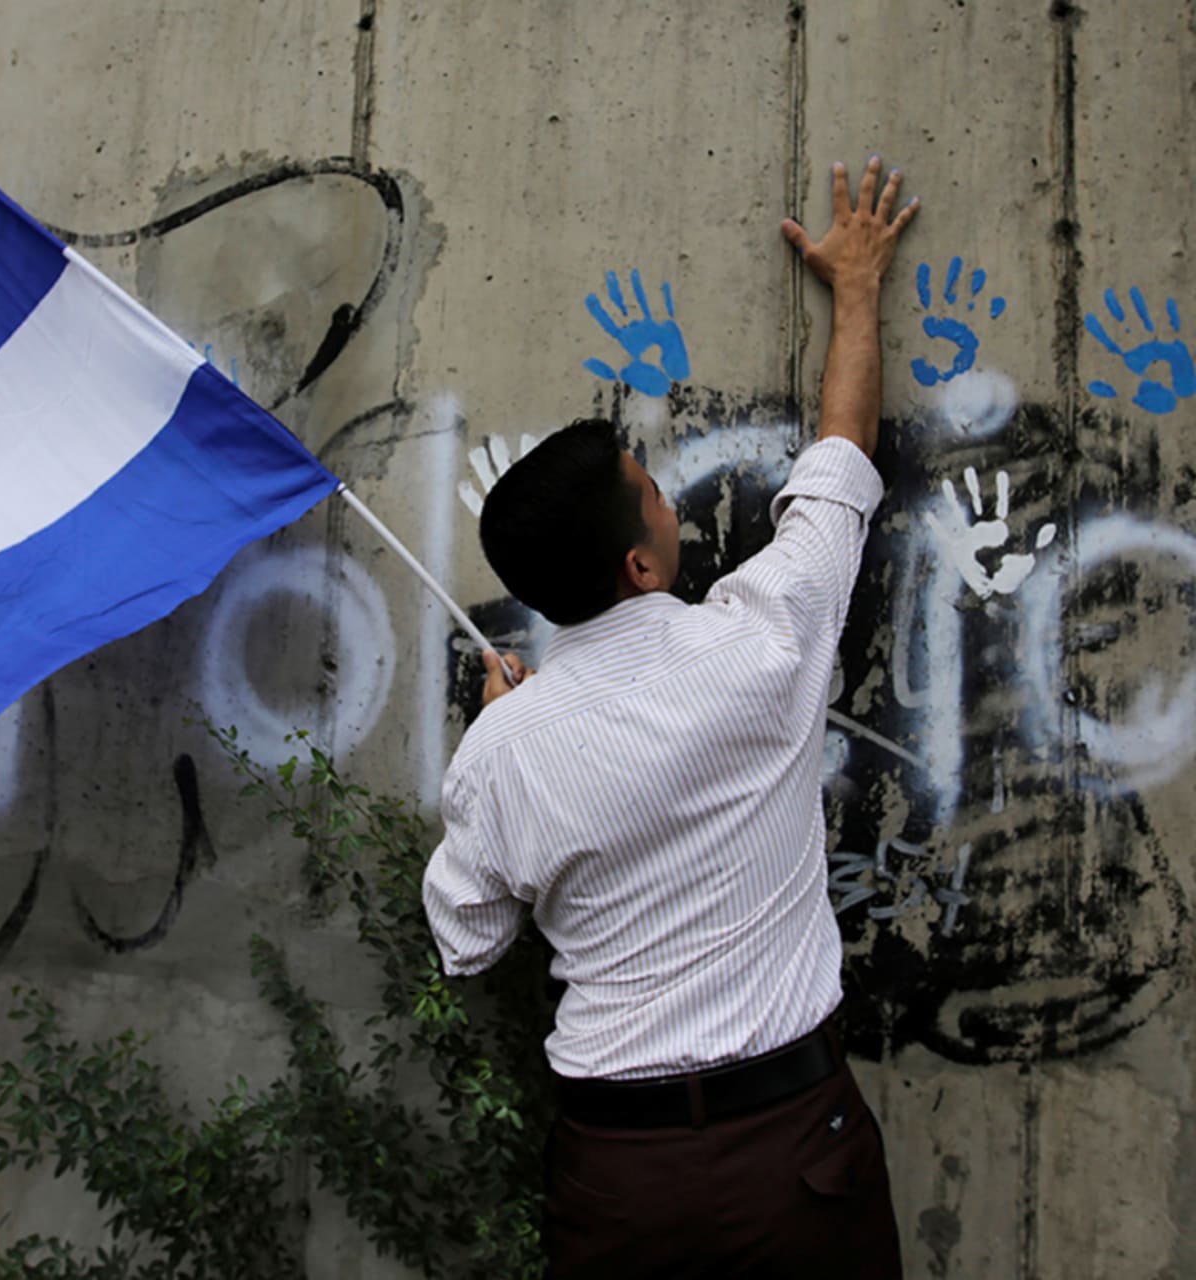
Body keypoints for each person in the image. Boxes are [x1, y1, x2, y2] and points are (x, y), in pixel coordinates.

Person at [422, 156, 918, 1279]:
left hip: (619, 1180)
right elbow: (837, 464)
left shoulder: (506, 744)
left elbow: (466, 941)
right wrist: (857, 289)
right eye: (654, 489)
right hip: (797, 1154)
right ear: (643, 561)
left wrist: (497, 742)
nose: (667, 492)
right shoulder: (762, 641)